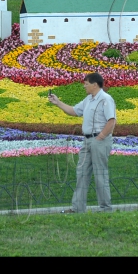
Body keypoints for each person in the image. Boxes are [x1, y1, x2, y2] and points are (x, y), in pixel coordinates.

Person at [48, 72, 116, 213]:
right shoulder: (88, 100)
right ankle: (78, 208)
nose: (84, 85)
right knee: (82, 173)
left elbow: (111, 121)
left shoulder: (106, 99)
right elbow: (74, 111)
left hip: (99, 141)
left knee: (100, 174)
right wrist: (57, 102)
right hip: (87, 141)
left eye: (86, 83)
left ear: (95, 84)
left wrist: (100, 137)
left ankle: (105, 208)